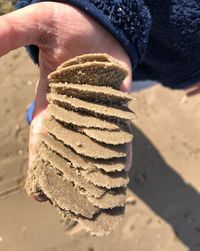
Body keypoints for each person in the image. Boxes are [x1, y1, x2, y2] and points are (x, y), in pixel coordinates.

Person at [0, 1, 199, 201]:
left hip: (170, 64)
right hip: (116, 35)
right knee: (98, 86)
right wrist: (93, 7)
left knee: (122, 88)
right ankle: (40, 110)